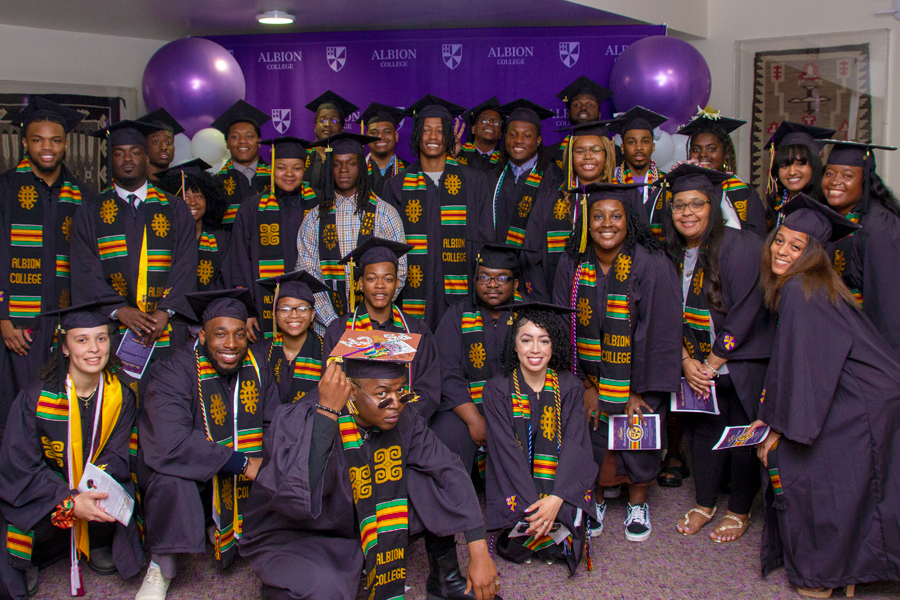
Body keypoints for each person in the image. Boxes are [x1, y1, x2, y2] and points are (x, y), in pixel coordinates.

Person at [239, 344, 500, 600]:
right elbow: (299, 495)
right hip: (301, 532)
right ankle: (280, 586)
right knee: (326, 587)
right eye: (383, 393)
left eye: (402, 391)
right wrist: (327, 415)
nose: (396, 403)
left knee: (426, 476)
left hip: (355, 520)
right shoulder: (303, 416)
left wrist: (479, 554)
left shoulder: (401, 415)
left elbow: (447, 468)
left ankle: (446, 579)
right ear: (351, 391)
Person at [749, 194, 900, 598]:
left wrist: (780, 430)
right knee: (850, 484)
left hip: (862, 398)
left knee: (814, 476)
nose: (783, 250)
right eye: (780, 240)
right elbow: (794, 359)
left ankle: (825, 575)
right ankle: (844, 574)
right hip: (860, 391)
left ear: (813, 254)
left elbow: (806, 371)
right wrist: (770, 414)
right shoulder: (807, 283)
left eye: (797, 246)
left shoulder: (801, 288)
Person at [552, 183, 682, 542]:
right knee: (587, 429)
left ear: (630, 221)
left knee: (638, 426)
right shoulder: (573, 263)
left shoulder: (651, 263)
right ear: (586, 222)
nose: (606, 224)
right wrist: (585, 384)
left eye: (615, 216)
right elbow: (562, 326)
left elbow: (660, 331)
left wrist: (636, 391)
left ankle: (637, 501)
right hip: (589, 375)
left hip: (639, 376)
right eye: (597, 216)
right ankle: (595, 498)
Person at [134, 289, 280, 600]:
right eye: (221, 334)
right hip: (187, 472)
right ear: (202, 337)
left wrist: (267, 461)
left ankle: (230, 527)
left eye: (239, 334)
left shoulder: (257, 366)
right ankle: (162, 564)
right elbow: (171, 442)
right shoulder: (174, 369)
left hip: (237, 474)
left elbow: (270, 423)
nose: (231, 344)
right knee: (172, 482)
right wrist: (242, 463)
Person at [657, 165, 774, 541]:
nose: (687, 213)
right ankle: (705, 503)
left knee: (741, 437)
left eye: (696, 204)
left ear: (713, 206)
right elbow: (664, 312)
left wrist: (711, 363)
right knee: (702, 433)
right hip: (695, 364)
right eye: (679, 206)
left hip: (739, 363)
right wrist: (685, 361)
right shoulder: (670, 254)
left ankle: (739, 510)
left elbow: (748, 308)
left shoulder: (741, 245)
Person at [0, 301, 141, 599]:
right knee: (15, 512)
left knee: (122, 488)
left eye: (101, 338)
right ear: (65, 348)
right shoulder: (34, 399)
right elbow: (21, 464)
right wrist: (67, 499)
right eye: (82, 340)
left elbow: (116, 455)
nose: (93, 348)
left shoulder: (121, 396)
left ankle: (98, 540)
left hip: (93, 490)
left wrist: (88, 492)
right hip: (46, 495)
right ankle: (30, 556)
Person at [71, 120, 197, 398]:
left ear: (146, 155)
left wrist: (165, 312)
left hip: (166, 330)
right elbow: (84, 269)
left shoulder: (175, 208)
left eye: (135, 152)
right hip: (112, 330)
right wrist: (119, 310)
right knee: (118, 406)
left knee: (168, 403)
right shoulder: (90, 211)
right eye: (119, 153)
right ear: (110, 158)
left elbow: (187, 264)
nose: (127, 159)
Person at [0, 97, 95, 434]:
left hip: (65, 319)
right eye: (38, 139)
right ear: (25, 143)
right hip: (19, 321)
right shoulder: (6, 188)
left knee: (61, 403)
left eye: (55, 140)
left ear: (66, 144)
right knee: (16, 404)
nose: (47, 148)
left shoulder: (82, 195)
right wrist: (2, 314)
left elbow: (88, 261)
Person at [483, 302, 597, 574]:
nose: (535, 349)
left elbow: (575, 444)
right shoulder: (497, 390)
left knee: (565, 524)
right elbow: (505, 452)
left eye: (543, 341)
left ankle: (550, 526)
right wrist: (537, 509)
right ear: (514, 344)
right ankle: (538, 528)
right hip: (515, 484)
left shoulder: (568, 386)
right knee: (520, 535)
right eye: (526, 340)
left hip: (560, 482)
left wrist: (556, 498)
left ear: (553, 345)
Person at [382, 94, 490, 331]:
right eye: (427, 130)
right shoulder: (397, 186)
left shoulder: (474, 181)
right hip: (413, 293)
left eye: (440, 131)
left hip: (462, 293)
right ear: (417, 135)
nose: (433, 137)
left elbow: (485, 240)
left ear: (449, 137)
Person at [298, 133, 407, 334]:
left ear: (361, 168)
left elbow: (398, 271)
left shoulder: (385, 214)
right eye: (337, 164)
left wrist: (369, 318)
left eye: (351, 163)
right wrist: (334, 324)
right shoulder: (313, 219)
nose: (344, 170)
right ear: (329, 169)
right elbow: (309, 275)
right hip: (327, 331)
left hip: (376, 329)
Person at [432, 243, 525, 477]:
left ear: (515, 284)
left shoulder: (528, 314)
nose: (492, 284)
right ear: (474, 281)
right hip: (467, 407)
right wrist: (474, 420)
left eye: (501, 278)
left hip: (519, 406)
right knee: (445, 431)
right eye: (484, 277)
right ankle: (455, 498)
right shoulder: (457, 313)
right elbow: (446, 371)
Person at [323, 237, 440, 421]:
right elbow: (333, 387)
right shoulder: (339, 331)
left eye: (388, 279)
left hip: (405, 426)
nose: (380, 285)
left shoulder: (416, 330)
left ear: (396, 283)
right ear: (360, 283)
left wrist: (398, 420)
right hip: (354, 428)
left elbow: (428, 389)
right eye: (371, 278)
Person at [224, 136, 320, 341]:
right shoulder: (251, 207)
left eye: (296, 168)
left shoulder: (318, 204)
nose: (289, 174)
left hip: (311, 303)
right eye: (281, 167)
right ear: (271, 169)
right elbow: (239, 260)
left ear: (304, 170)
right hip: (261, 304)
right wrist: (247, 310)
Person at [820, 140, 900, 359]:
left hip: (870, 349)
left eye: (847, 175)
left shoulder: (879, 226)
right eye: (829, 174)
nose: (835, 182)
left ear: (865, 180)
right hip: (840, 340)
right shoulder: (829, 218)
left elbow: (888, 307)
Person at [526, 121, 617, 302]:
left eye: (596, 150)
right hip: (556, 300)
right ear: (570, 156)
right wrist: (545, 304)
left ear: (607, 154)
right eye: (580, 151)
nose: (588, 157)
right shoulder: (551, 196)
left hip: (610, 301)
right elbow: (531, 252)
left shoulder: (623, 198)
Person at [484, 99, 564, 275]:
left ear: (538, 140)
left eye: (527, 136)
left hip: (537, 275)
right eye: (512, 134)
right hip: (497, 275)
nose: (518, 141)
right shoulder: (491, 179)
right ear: (504, 137)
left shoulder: (554, 179)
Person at [677, 107, 768, 238]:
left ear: (725, 153)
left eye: (711, 149)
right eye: (696, 149)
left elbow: (757, 239)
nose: (703, 154)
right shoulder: (678, 191)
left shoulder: (743, 192)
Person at [253, 270, 330, 405]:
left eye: (302, 309)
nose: (293, 315)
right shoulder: (260, 352)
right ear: (275, 314)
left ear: (312, 314)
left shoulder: (327, 353)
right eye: (285, 309)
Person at [156, 158, 230, 293]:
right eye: (185, 197)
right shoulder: (161, 241)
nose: (192, 203)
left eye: (198, 196)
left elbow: (224, 282)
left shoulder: (222, 241)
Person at [211, 100, 272, 230]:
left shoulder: (275, 178)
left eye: (249, 136)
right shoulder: (215, 184)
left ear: (259, 141)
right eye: (235, 137)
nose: (242, 141)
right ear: (226, 143)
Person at [608, 106, 668, 236]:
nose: (639, 147)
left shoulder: (667, 183)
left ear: (653, 147)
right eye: (631, 142)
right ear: (622, 147)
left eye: (645, 141)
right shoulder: (610, 181)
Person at [763, 121, 835, 227]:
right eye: (784, 165)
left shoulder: (825, 206)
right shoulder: (777, 202)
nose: (792, 172)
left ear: (814, 166)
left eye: (800, 164)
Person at [545, 76, 612, 169]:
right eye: (577, 104)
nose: (583, 108)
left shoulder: (613, 153)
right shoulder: (551, 154)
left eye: (590, 104)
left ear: (600, 114)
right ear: (568, 114)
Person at [303, 90, 359, 192]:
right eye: (322, 120)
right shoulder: (301, 155)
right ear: (315, 126)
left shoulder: (349, 159)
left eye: (334, 120)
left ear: (342, 128)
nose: (327, 124)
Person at [359, 102, 409, 197]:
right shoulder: (357, 171)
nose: (380, 137)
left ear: (396, 136)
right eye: (374, 133)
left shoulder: (409, 172)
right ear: (366, 137)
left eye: (387, 132)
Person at [137, 108, 184, 182]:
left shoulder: (179, 186)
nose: (163, 147)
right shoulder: (136, 186)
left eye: (168, 142)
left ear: (174, 149)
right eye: (156, 142)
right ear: (144, 148)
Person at [457, 97, 503, 173]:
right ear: (473, 129)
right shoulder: (459, 154)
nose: (491, 123)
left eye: (496, 122)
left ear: (500, 134)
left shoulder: (506, 160)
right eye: (485, 120)